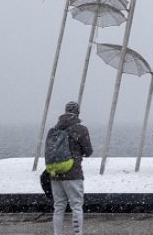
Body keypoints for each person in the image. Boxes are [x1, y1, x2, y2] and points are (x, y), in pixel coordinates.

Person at [48, 101, 93, 235]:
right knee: (76, 206)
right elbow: (88, 151)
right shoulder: (80, 129)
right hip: (73, 173)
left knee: (58, 207)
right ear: (77, 112)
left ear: (65, 111)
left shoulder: (53, 130)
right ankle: (78, 233)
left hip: (55, 173)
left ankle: (58, 233)